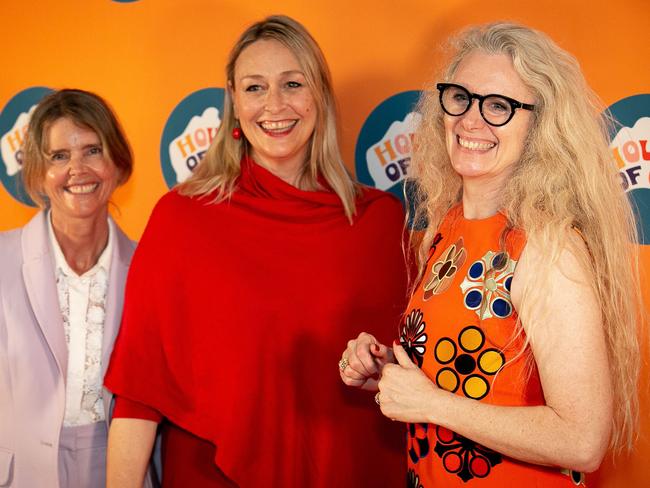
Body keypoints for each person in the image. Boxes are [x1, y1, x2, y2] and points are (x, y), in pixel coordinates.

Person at [104, 15, 408, 487]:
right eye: (254, 88)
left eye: (292, 83)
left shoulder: (381, 224)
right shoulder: (182, 219)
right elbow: (139, 392)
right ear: (233, 100)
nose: (274, 105)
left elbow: (414, 377)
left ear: (320, 96)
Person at [340, 22, 641, 486]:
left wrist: (429, 403)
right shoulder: (447, 228)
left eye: (499, 106)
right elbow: (472, 379)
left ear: (538, 127)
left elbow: (583, 439)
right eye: (460, 97)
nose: (470, 120)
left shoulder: (547, 246)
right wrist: (392, 375)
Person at [0, 89, 143, 487]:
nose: (77, 169)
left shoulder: (149, 269)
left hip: (120, 470)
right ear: (37, 174)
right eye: (59, 156)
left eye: (93, 151)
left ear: (117, 162)